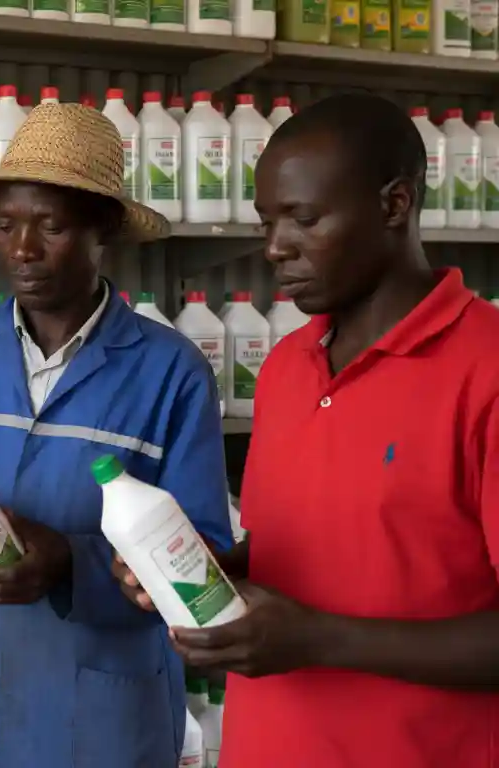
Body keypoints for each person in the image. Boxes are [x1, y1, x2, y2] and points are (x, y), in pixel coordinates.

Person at [113, 92, 499, 767]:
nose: (274, 247)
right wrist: (206, 573)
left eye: (304, 219)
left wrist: (317, 640)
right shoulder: (289, 367)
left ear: (394, 205)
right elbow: (317, 547)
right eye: (267, 221)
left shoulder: (486, 369)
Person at [0, 102, 233, 766]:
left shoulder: (169, 371)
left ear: (101, 231)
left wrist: (69, 562)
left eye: (52, 226)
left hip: (104, 713)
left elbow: (202, 556)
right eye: (6, 225)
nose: (22, 250)